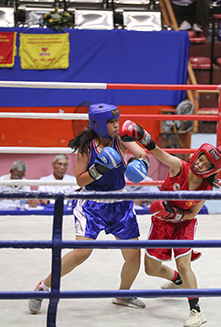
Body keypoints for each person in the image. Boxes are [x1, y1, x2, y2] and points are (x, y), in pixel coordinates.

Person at [28, 103, 151, 314]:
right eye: (111, 122)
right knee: (81, 252)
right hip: (92, 204)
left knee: (133, 257)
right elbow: (80, 179)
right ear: (99, 124)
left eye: (117, 121)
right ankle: (43, 286)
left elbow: (143, 155)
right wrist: (99, 169)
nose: (116, 125)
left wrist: (141, 165)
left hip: (120, 203)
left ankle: (123, 294)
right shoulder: (87, 147)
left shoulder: (121, 139)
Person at [120, 120, 221, 327]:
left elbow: (192, 213)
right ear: (197, 156)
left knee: (184, 264)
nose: (201, 165)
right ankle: (177, 280)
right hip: (161, 222)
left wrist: (176, 214)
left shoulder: (205, 189)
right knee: (151, 269)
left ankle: (196, 311)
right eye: (201, 159)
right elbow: (158, 152)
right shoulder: (179, 167)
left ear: (211, 170)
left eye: (207, 165)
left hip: (184, 224)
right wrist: (142, 135)